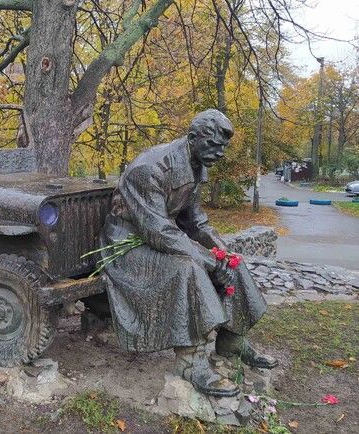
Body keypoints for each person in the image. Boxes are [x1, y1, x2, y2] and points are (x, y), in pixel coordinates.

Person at [100, 109, 277, 397]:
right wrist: (206, 260)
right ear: (193, 138)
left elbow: (195, 222)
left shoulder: (195, 163)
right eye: (214, 146)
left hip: (160, 238)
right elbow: (156, 230)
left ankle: (232, 338)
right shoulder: (150, 168)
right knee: (188, 269)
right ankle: (191, 361)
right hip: (127, 247)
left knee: (231, 261)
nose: (219, 154)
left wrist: (220, 251)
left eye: (223, 148)